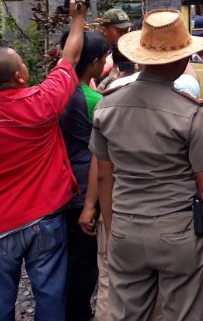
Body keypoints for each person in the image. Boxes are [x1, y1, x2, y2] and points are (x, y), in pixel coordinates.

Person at [90, 9, 203, 320]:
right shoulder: (188, 114)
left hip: (125, 228)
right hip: (177, 232)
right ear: (183, 61)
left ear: (140, 58)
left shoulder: (106, 106)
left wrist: (113, 231)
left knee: (125, 313)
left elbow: (105, 178)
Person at [0, 0, 88, 320]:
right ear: (19, 76)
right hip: (46, 219)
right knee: (51, 294)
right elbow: (71, 58)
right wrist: (78, 19)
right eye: (21, 62)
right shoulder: (43, 102)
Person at [59, 31, 110, 321]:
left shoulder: (53, 93)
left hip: (58, 185)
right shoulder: (94, 100)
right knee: (85, 262)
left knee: (62, 259)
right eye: (103, 58)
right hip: (85, 187)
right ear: (94, 63)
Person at [96, 8, 133, 92]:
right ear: (104, 30)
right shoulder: (97, 53)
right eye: (121, 31)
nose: (125, 35)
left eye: (127, 30)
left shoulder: (129, 50)